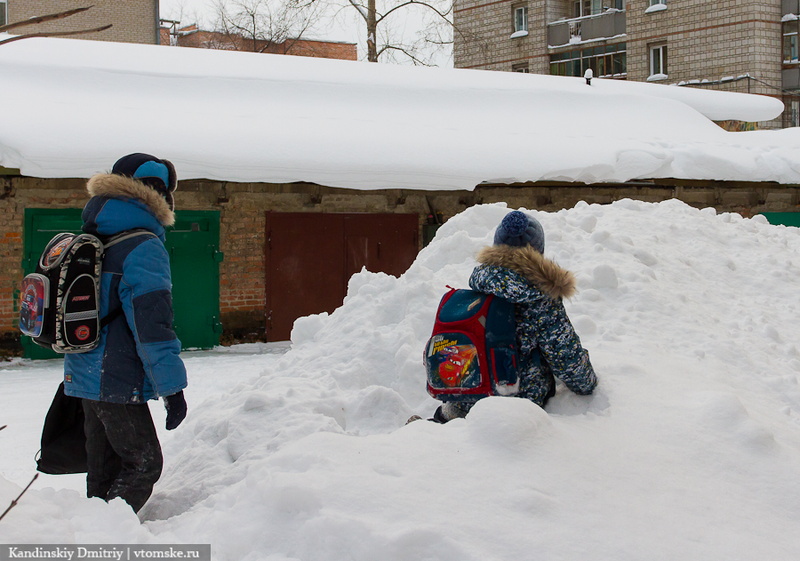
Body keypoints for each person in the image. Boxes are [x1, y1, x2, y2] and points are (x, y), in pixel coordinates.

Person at [63, 153, 188, 513]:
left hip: (82, 367)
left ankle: (92, 535)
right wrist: (172, 387)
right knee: (144, 463)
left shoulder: (95, 232)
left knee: (102, 472)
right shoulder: (144, 246)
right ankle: (107, 540)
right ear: (157, 194)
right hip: (116, 376)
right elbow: (152, 326)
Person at [433, 210, 597, 422]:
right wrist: (590, 383)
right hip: (514, 403)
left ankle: (446, 419)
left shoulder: (481, 284)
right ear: (538, 251)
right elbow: (568, 361)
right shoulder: (540, 301)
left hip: (467, 391)